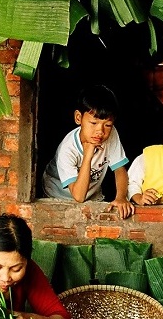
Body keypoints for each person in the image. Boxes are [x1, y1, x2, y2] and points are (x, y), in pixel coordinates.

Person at [42, 85, 134, 219]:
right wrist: (88, 155)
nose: (100, 131)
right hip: (58, 195)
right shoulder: (67, 149)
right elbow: (78, 196)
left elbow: (119, 169)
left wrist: (121, 197)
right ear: (78, 118)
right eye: (93, 123)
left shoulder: (111, 134)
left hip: (92, 194)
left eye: (107, 125)